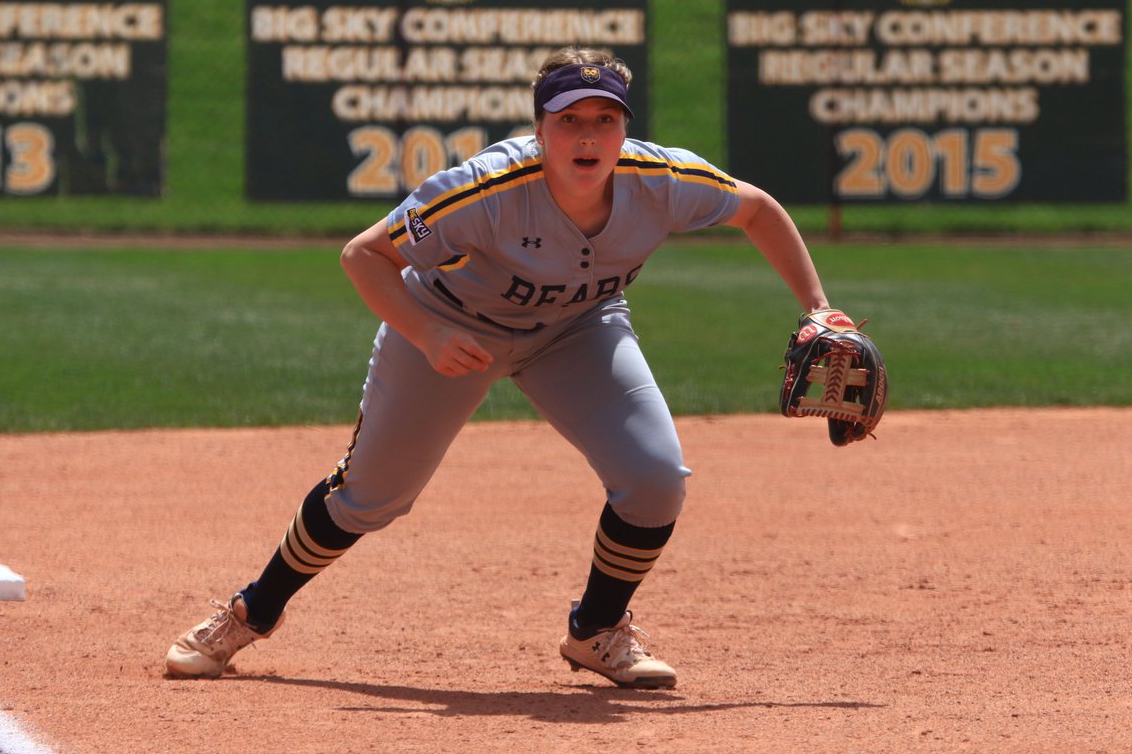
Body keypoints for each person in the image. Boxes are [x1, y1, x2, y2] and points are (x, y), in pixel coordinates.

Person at [165, 46, 834, 689]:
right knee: (371, 495)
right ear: (540, 127)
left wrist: (819, 308)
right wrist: (426, 334)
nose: (587, 134)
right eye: (569, 118)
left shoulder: (658, 180)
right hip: (456, 330)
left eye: (605, 118)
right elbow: (364, 256)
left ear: (625, 128)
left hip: (578, 330)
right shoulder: (486, 188)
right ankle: (251, 611)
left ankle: (596, 629)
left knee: (655, 478)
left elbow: (757, 209)